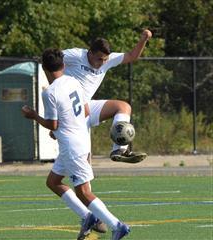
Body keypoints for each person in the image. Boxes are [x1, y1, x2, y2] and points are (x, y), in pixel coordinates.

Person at [21, 48, 130, 240]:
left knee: (84, 192)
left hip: (72, 146)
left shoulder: (50, 93)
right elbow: (85, 111)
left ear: (45, 68)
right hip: (77, 140)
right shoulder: (73, 81)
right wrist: (61, 130)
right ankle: (88, 217)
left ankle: (117, 226)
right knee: (53, 182)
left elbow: (53, 124)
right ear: (63, 66)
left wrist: (34, 116)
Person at [55, 29, 152, 164]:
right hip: (71, 111)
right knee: (84, 163)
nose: (102, 62)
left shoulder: (108, 60)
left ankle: (119, 149)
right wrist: (56, 84)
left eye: (105, 59)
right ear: (90, 53)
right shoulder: (76, 55)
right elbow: (51, 60)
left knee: (123, 107)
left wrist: (143, 40)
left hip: (87, 107)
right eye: (99, 58)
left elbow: (132, 56)